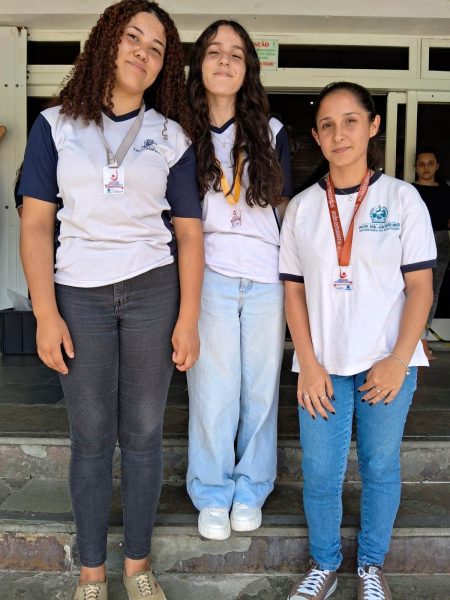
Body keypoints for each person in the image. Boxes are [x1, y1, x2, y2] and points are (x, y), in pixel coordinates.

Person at [19, 2, 204, 599]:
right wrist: (45, 314)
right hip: (79, 295)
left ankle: (138, 568)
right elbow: (36, 224)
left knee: (145, 434)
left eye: (157, 49)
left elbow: (189, 233)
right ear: (106, 42)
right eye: (133, 38)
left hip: (153, 289)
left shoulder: (171, 136)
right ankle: (92, 574)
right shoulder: (54, 126)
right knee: (92, 436)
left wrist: (189, 318)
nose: (143, 53)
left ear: (164, 65)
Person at [279, 81, 436, 600]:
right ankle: (324, 565)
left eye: (351, 121)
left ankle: (371, 566)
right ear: (316, 137)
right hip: (321, 365)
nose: (339, 134)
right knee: (321, 471)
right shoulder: (302, 208)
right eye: (327, 125)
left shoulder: (403, 199)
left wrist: (398, 359)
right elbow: (293, 292)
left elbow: (420, 288)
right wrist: (307, 362)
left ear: (373, 126)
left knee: (380, 466)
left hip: (387, 363)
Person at [185, 20, 293, 540]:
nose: (224, 61)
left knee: (260, 389)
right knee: (213, 387)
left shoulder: (271, 131)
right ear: (199, 64)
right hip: (209, 272)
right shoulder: (179, 130)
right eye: (214, 51)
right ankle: (211, 491)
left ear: (248, 67)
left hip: (266, 276)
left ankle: (251, 486)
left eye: (235, 53)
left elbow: (283, 208)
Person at [412, 149, 450, 358]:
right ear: (415, 166)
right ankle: (414, 341)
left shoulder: (446, 191)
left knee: (431, 292)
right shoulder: (409, 191)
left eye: (430, 163)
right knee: (410, 289)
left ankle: (422, 339)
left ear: (437, 166)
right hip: (414, 241)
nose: (425, 168)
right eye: (421, 163)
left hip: (441, 241)